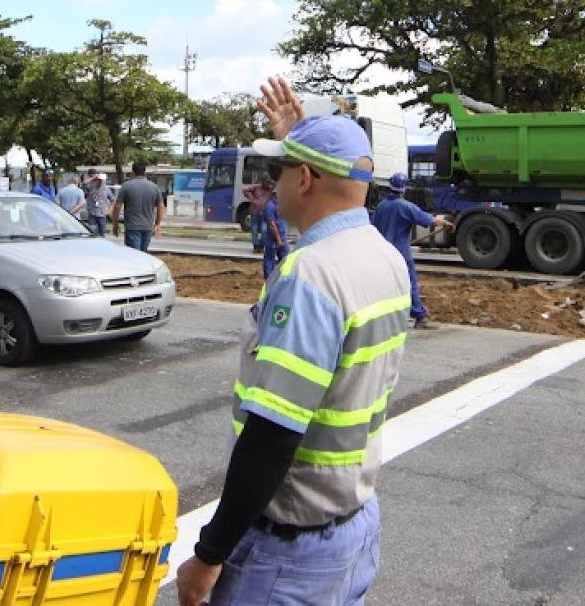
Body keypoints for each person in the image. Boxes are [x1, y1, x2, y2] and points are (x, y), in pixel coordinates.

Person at [176, 77, 411, 606]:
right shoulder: (384, 257)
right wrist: (297, 136)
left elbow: (273, 433)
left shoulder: (312, 275)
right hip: (353, 526)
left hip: (290, 554)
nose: (272, 186)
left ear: (304, 179)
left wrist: (210, 554)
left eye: (278, 172)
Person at [372, 172, 453, 331]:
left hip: (382, 253)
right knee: (410, 284)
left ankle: (384, 316)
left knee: (383, 285)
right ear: (404, 189)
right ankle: (419, 316)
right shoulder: (406, 207)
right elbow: (430, 220)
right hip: (401, 254)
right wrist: (447, 223)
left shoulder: (381, 207)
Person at [110, 163, 164, 252]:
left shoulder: (126, 186)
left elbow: (117, 206)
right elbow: (160, 206)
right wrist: (157, 224)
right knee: (143, 253)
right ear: (144, 172)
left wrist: (115, 224)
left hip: (132, 226)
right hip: (148, 226)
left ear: (133, 172)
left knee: (134, 254)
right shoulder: (154, 187)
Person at [260, 189, 288, 279]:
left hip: (281, 237)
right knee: (270, 259)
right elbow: (271, 224)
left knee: (284, 259)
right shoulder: (270, 206)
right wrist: (278, 239)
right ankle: (269, 279)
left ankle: (282, 277)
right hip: (273, 238)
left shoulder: (279, 205)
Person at [83, 170, 113, 236]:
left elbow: (113, 200)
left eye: (101, 180)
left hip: (102, 214)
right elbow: (84, 183)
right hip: (92, 214)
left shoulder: (107, 189)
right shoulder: (91, 188)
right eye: (98, 180)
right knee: (92, 232)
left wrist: (109, 210)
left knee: (102, 233)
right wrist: (93, 177)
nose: (99, 181)